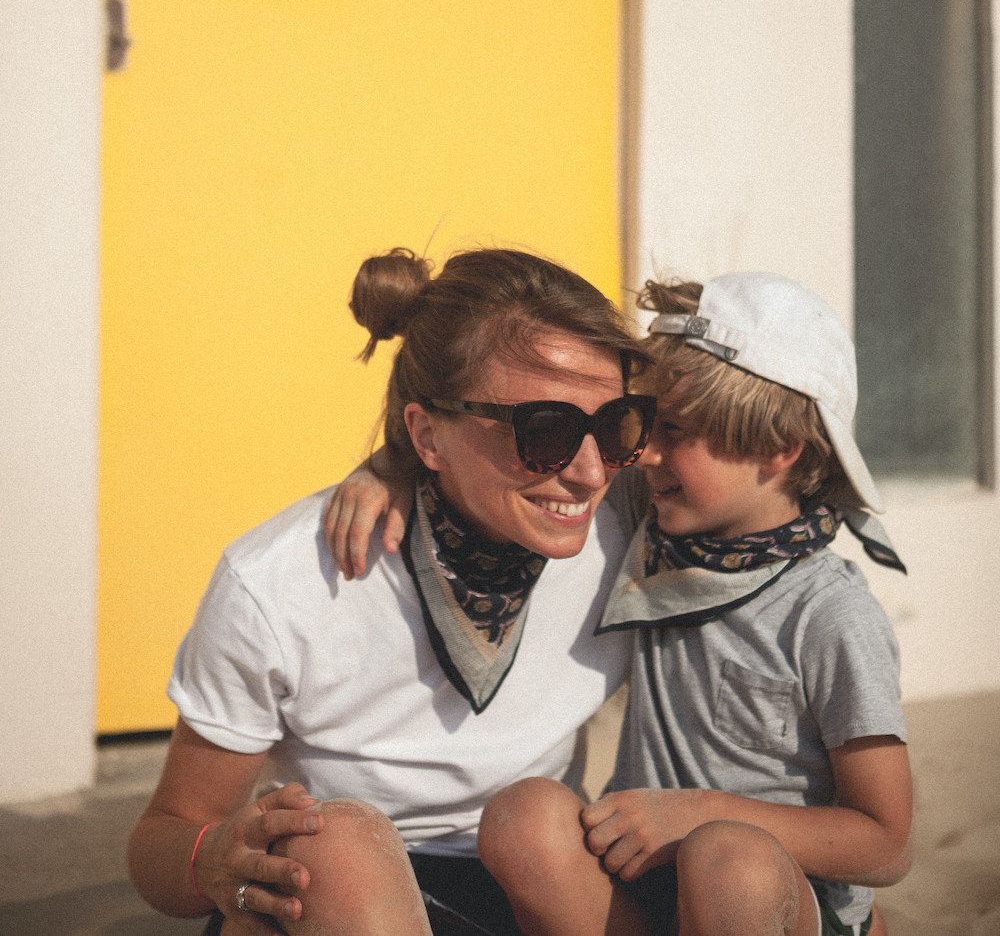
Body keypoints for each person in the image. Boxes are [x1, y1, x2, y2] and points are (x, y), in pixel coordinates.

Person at [333, 273, 912, 936]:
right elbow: (468, 451)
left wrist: (700, 814)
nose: (644, 454)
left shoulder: (832, 616)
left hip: (770, 900)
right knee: (526, 816)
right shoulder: (656, 517)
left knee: (729, 861)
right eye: (644, 424)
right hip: (650, 885)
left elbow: (887, 843)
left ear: (779, 449)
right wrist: (389, 468)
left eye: (676, 431)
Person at [127, 245, 655, 935]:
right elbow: (166, 838)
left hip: (524, 881)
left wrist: (387, 461)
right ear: (426, 436)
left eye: (616, 425)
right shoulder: (283, 581)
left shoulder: (631, 520)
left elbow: (742, 426)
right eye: (544, 431)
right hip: (337, 898)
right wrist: (215, 858)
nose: (590, 472)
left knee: (538, 821)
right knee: (335, 848)